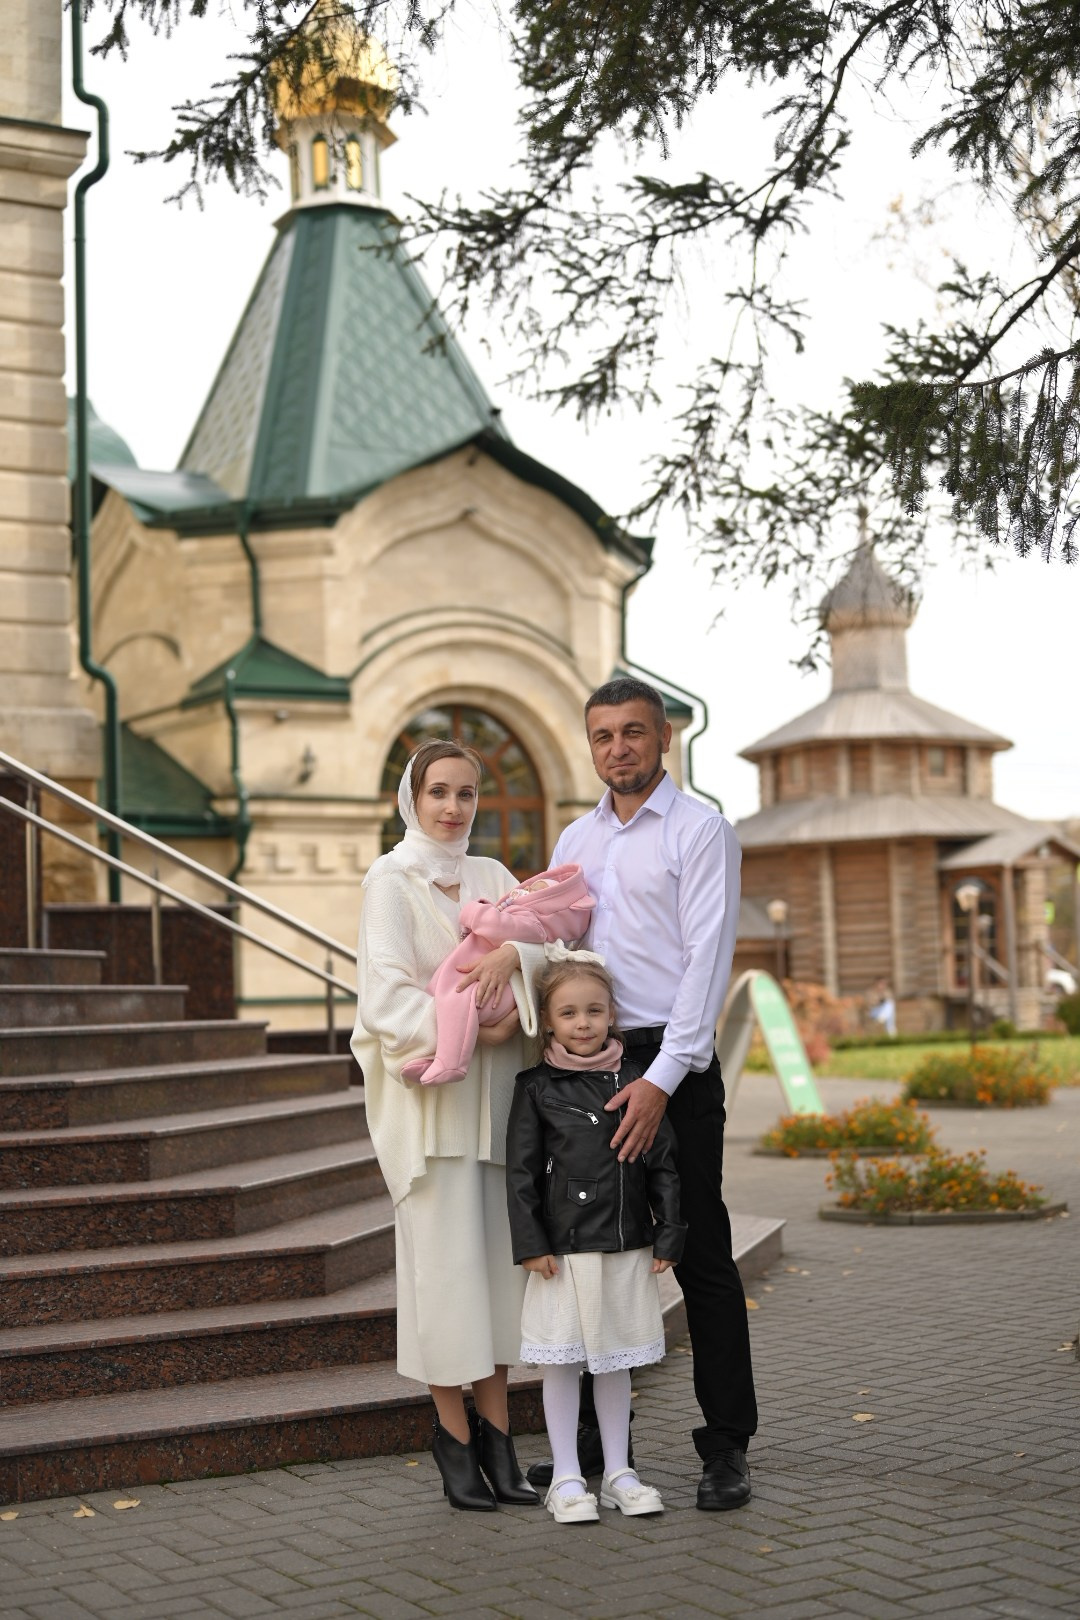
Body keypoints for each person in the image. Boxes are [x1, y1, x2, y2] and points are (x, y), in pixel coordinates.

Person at [461, 675, 756, 1510]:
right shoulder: (576, 836)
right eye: (602, 736)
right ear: (590, 745)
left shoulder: (702, 833)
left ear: (663, 737)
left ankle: (727, 1446)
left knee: (698, 1251)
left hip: (673, 1062)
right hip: (586, 1062)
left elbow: (707, 960)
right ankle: (587, 1451)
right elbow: (559, 942)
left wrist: (661, 1081)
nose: (617, 748)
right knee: (585, 1246)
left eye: (633, 732)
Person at [351, 739, 540, 1513]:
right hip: (431, 1115)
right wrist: (477, 1025)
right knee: (442, 1287)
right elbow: (385, 1003)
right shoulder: (390, 882)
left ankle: (500, 1441)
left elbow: (555, 949)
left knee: (497, 1285)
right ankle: (453, 1439)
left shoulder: (494, 877)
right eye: (439, 792)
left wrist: (518, 958)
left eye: (467, 793)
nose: (454, 807)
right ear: (412, 797)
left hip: (494, 1114)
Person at [506, 957, 685, 1523]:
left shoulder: (640, 1081)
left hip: (626, 1241)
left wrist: (668, 1235)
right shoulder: (534, 1087)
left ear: (613, 1016)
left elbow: (664, 1165)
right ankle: (564, 1477)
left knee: (615, 1361)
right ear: (548, 1021)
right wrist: (531, 1243)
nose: (582, 1022)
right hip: (561, 1249)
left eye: (594, 1010)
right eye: (568, 1012)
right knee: (561, 1362)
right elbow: (521, 1172)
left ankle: (618, 1473)